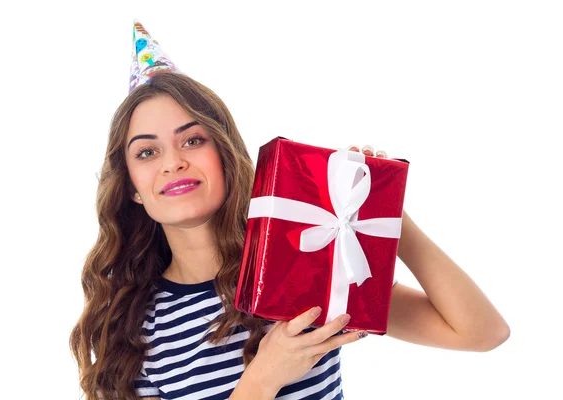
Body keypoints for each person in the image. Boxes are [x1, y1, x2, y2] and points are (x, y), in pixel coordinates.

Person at [69, 21, 510, 400]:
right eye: (147, 153)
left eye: (193, 140)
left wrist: (384, 213)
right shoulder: (131, 328)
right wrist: (263, 378)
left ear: (225, 156)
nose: (172, 162)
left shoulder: (302, 263)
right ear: (132, 189)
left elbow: (482, 333)